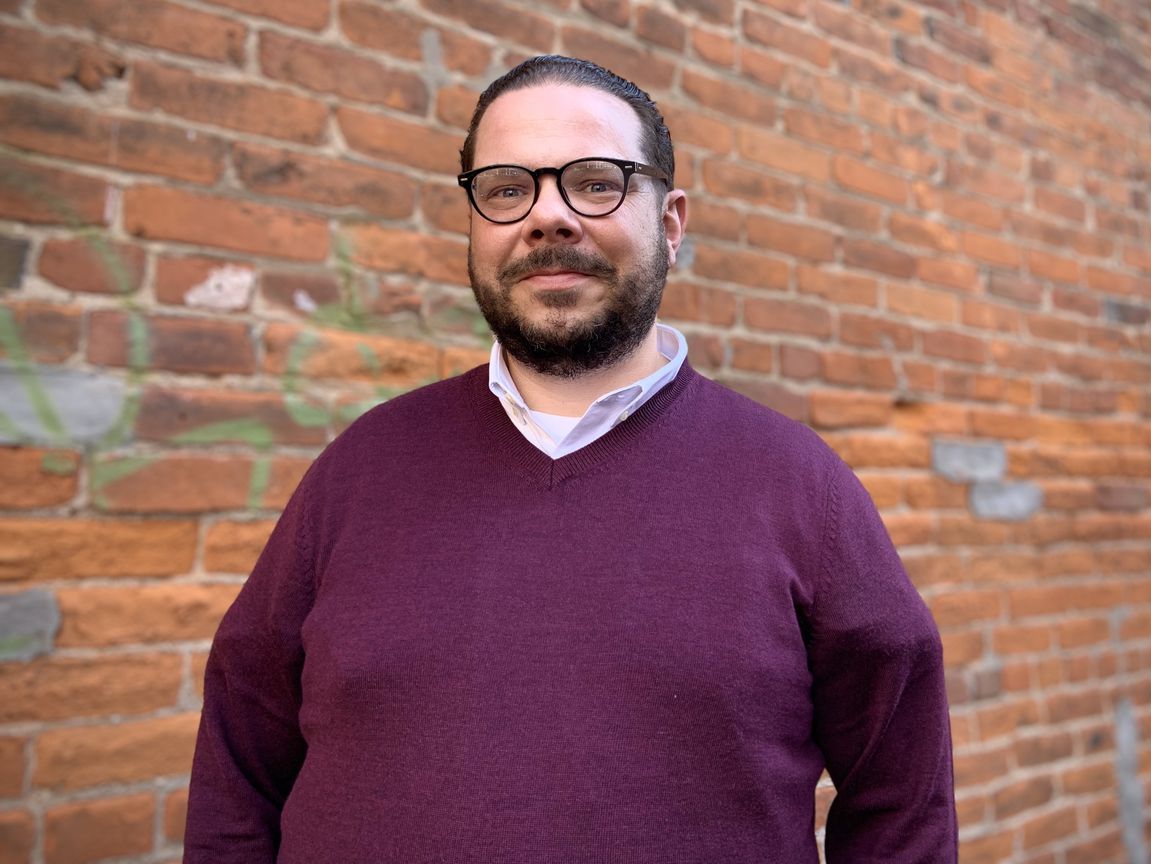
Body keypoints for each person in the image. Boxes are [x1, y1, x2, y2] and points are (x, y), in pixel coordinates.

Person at [184, 55, 957, 863]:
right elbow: (238, 774)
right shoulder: (358, 471)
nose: (548, 216)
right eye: (508, 188)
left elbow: (902, 809)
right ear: (475, 223)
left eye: (596, 181)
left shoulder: (803, 490)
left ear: (671, 221)